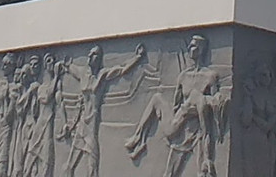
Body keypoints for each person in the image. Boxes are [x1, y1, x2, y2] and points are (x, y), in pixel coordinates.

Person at [124, 35, 226, 177]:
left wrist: (200, 104)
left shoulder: (210, 76)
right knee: (170, 174)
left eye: (194, 46)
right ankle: (138, 138)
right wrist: (183, 112)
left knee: (202, 172)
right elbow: (176, 106)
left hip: (197, 132)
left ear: (202, 49)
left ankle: (138, 139)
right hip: (178, 130)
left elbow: (213, 106)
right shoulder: (183, 76)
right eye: (190, 46)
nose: (190, 49)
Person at [64, 43, 146, 177]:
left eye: (94, 54)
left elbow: (122, 69)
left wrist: (137, 57)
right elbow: (68, 66)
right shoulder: (82, 72)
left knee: (92, 166)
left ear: (100, 58)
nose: (90, 56)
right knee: (69, 165)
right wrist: (63, 64)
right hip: (81, 124)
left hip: (91, 126)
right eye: (89, 53)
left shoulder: (102, 74)